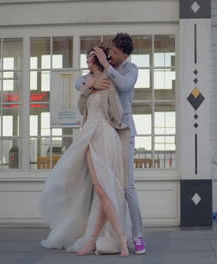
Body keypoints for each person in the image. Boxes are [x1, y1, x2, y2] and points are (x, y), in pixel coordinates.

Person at [40, 47, 132, 256]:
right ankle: (105, 238)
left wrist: (105, 90)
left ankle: (112, 237)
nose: (87, 59)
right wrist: (88, 88)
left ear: (99, 59)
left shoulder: (109, 80)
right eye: (87, 56)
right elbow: (81, 110)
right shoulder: (86, 81)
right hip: (88, 137)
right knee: (99, 188)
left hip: (105, 136)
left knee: (104, 189)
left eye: (91, 56)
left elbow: (117, 112)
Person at [75, 33, 146, 255]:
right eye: (111, 52)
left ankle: (138, 236)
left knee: (127, 186)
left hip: (123, 131)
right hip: (104, 133)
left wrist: (106, 66)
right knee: (103, 186)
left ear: (125, 55)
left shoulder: (130, 70)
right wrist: (94, 80)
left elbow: (124, 86)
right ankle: (107, 235)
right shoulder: (105, 70)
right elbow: (80, 82)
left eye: (115, 53)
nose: (112, 56)